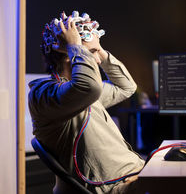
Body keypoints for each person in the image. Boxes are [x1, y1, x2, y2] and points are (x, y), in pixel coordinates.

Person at [29, 11, 145, 194]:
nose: (98, 61)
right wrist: (75, 45)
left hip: (134, 174)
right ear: (69, 54)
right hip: (113, 188)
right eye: (92, 53)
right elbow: (88, 87)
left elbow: (127, 87)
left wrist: (98, 49)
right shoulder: (44, 94)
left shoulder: (80, 92)